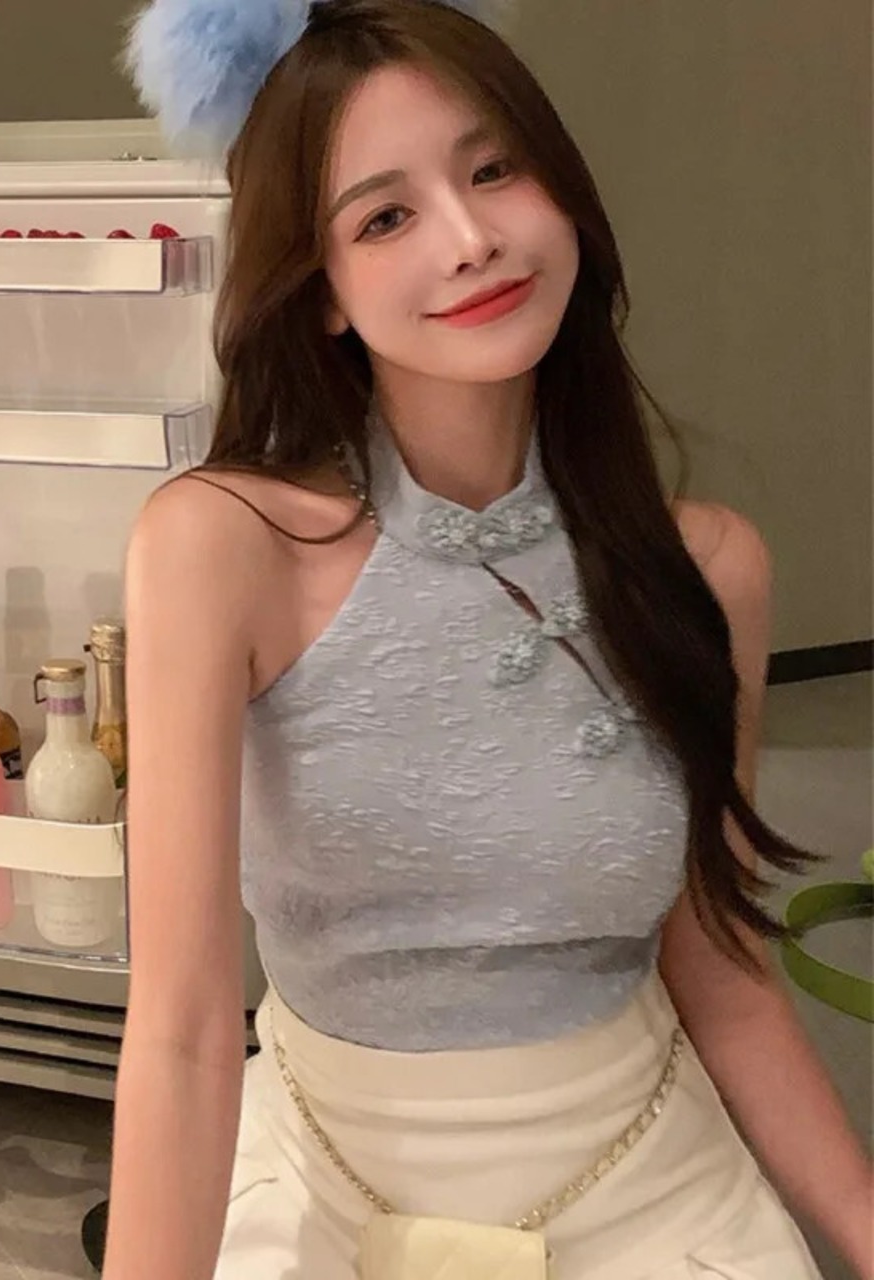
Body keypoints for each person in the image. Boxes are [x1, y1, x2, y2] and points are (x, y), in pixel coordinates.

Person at [102, 2, 874, 1278]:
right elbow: (181, 1028)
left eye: (493, 169)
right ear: (321, 288)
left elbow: (721, 966)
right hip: (326, 1180)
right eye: (383, 218)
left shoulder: (706, 569)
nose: (469, 242)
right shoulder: (222, 547)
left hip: (644, 1177)